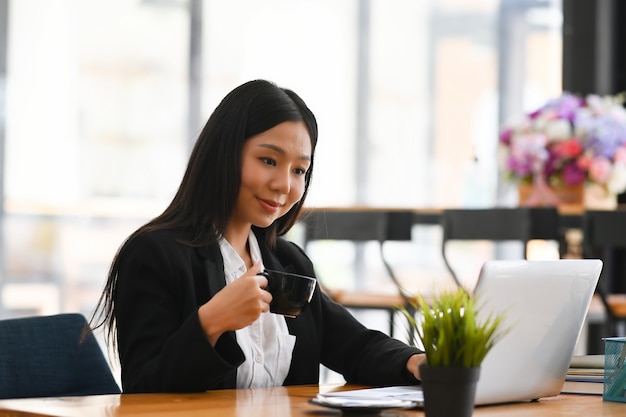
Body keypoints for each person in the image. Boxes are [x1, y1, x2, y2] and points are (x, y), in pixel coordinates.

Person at [90, 79, 425, 393]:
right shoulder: (154, 253)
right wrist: (210, 323)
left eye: (299, 170)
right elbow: (141, 389)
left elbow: (354, 346)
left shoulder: (288, 262)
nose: (284, 184)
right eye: (268, 160)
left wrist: (416, 362)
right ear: (224, 153)